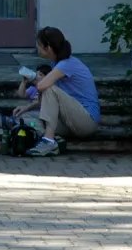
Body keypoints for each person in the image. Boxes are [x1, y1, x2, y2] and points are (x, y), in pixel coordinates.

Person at [24, 27, 101, 156]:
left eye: (38, 44)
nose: (36, 47)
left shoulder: (66, 64)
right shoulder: (57, 64)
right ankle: (55, 139)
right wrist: (27, 107)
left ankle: (49, 141)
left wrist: (32, 77)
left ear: (47, 47)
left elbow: (42, 86)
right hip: (70, 121)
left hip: (86, 121)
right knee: (26, 118)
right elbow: (51, 101)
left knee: (49, 88)